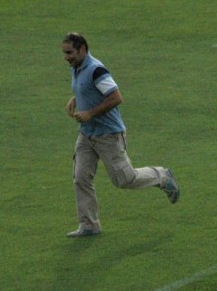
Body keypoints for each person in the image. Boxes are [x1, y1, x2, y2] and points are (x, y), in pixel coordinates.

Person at [61, 32, 179, 238]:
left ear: (82, 50)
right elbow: (88, 89)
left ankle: (161, 176)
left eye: (70, 53)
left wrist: (90, 113)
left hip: (108, 135)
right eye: (64, 53)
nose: (66, 57)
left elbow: (116, 97)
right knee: (80, 177)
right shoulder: (77, 67)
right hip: (87, 135)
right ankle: (89, 224)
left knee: (124, 179)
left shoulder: (96, 69)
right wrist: (76, 98)